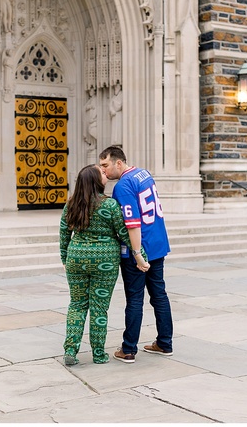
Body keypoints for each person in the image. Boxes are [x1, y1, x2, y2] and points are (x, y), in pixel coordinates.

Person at [59, 165, 148, 366]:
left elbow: (64, 234)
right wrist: (140, 255)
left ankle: (71, 350)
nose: (105, 174)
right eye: (101, 172)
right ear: (95, 181)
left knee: (77, 304)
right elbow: (124, 233)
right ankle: (98, 354)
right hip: (104, 262)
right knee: (99, 308)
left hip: (77, 258)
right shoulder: (110, 206)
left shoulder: (70, 205)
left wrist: (65, 258)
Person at [98, 146, 173, 363]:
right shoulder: (144, 173)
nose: (103, 171)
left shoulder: (122, 186)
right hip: (158, 242)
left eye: (106, 165)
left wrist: (137, 253)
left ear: (118, 163)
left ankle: (129, 349)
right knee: (159, 295)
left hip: (140, 248)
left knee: (134, 299)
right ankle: (165, 342)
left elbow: (132, 224)